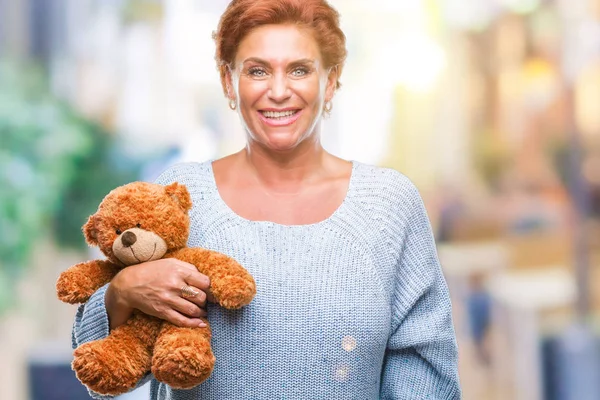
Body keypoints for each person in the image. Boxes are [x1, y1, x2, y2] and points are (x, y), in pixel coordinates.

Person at [72, 0, 462, 398]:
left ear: (331, 80)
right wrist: (121, 293)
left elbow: (424, 372)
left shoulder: (388, 206)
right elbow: (100, 362)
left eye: (299, 69)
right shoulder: (180, 196)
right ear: (229, 81)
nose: (278, 91)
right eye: (257, 70)